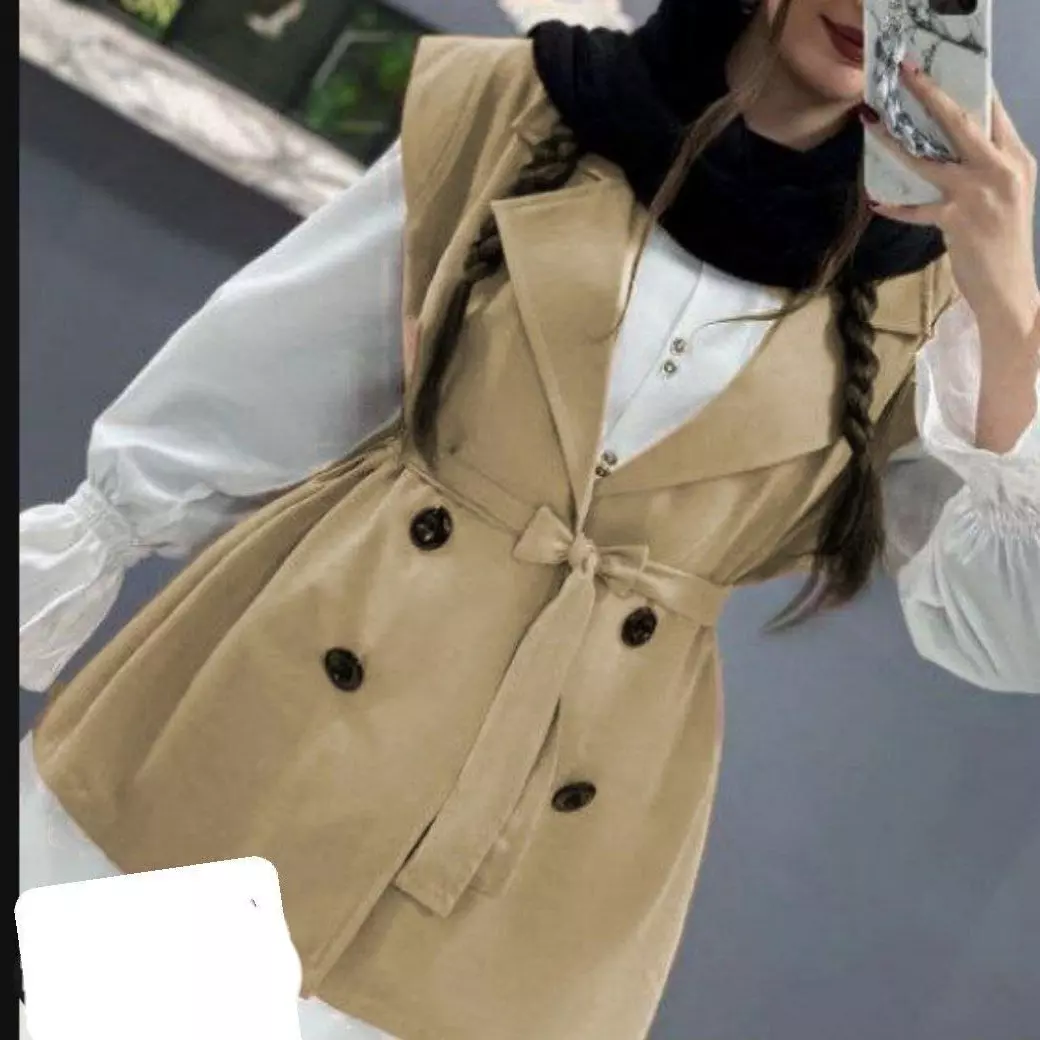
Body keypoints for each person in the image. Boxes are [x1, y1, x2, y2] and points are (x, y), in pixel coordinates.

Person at [18, 2, 1040, 1038]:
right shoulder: (528, 103)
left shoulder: (935, 286)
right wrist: (101, 531)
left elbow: (1010, 633)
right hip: (286, 706)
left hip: (553, 828)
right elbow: (278, 357)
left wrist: (1008, 313)